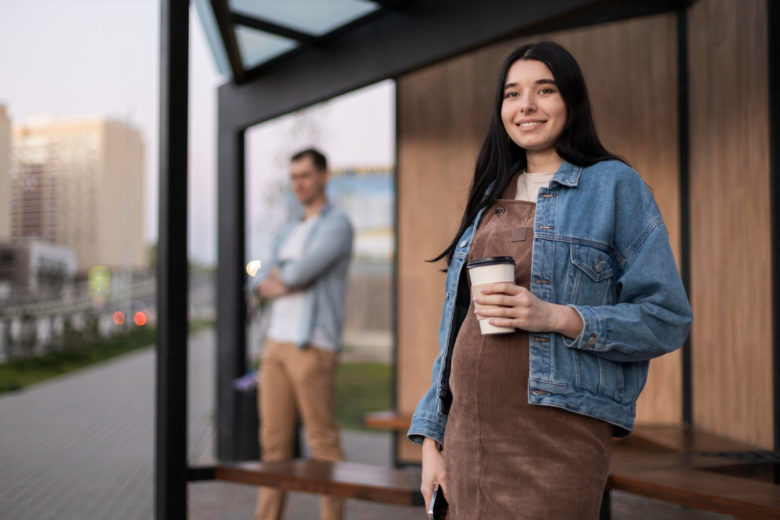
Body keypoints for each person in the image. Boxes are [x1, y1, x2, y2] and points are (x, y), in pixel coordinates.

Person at [406, 41, 693, 519]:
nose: (526, 106)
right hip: (467, 438)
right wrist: (432, 436)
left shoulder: (614, 186)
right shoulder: (488, 197)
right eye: (512, 93)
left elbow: (666, 317)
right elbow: (454, 331)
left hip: (557, 440)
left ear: (571, 101)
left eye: (545, 90)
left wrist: (557, 316)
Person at [253, 148, 353, 520]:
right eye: (293, 177)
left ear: (323, 176)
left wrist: (288, 276)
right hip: (275, 344)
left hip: (312, 345)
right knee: (273, 445)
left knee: (322, 443)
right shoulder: (289, 229)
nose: (298, 184)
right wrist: (284, 277)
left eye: (305, 176)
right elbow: (264, 278)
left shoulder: (336, 225)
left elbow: (296, 274)